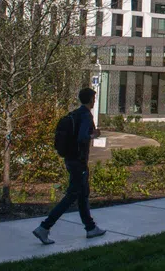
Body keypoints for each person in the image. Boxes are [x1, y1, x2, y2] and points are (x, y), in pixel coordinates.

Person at [33, 88, 106, 245]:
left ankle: (90, 227)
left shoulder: (76, 113)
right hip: (79, 162)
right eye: (94, 98)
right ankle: (44, 227)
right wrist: (94, 135)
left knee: (83, 194)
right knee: (72, 195)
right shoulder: (86, 115)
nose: (94, 101)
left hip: (71, 159)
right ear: (90, 100)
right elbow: (82, 137)